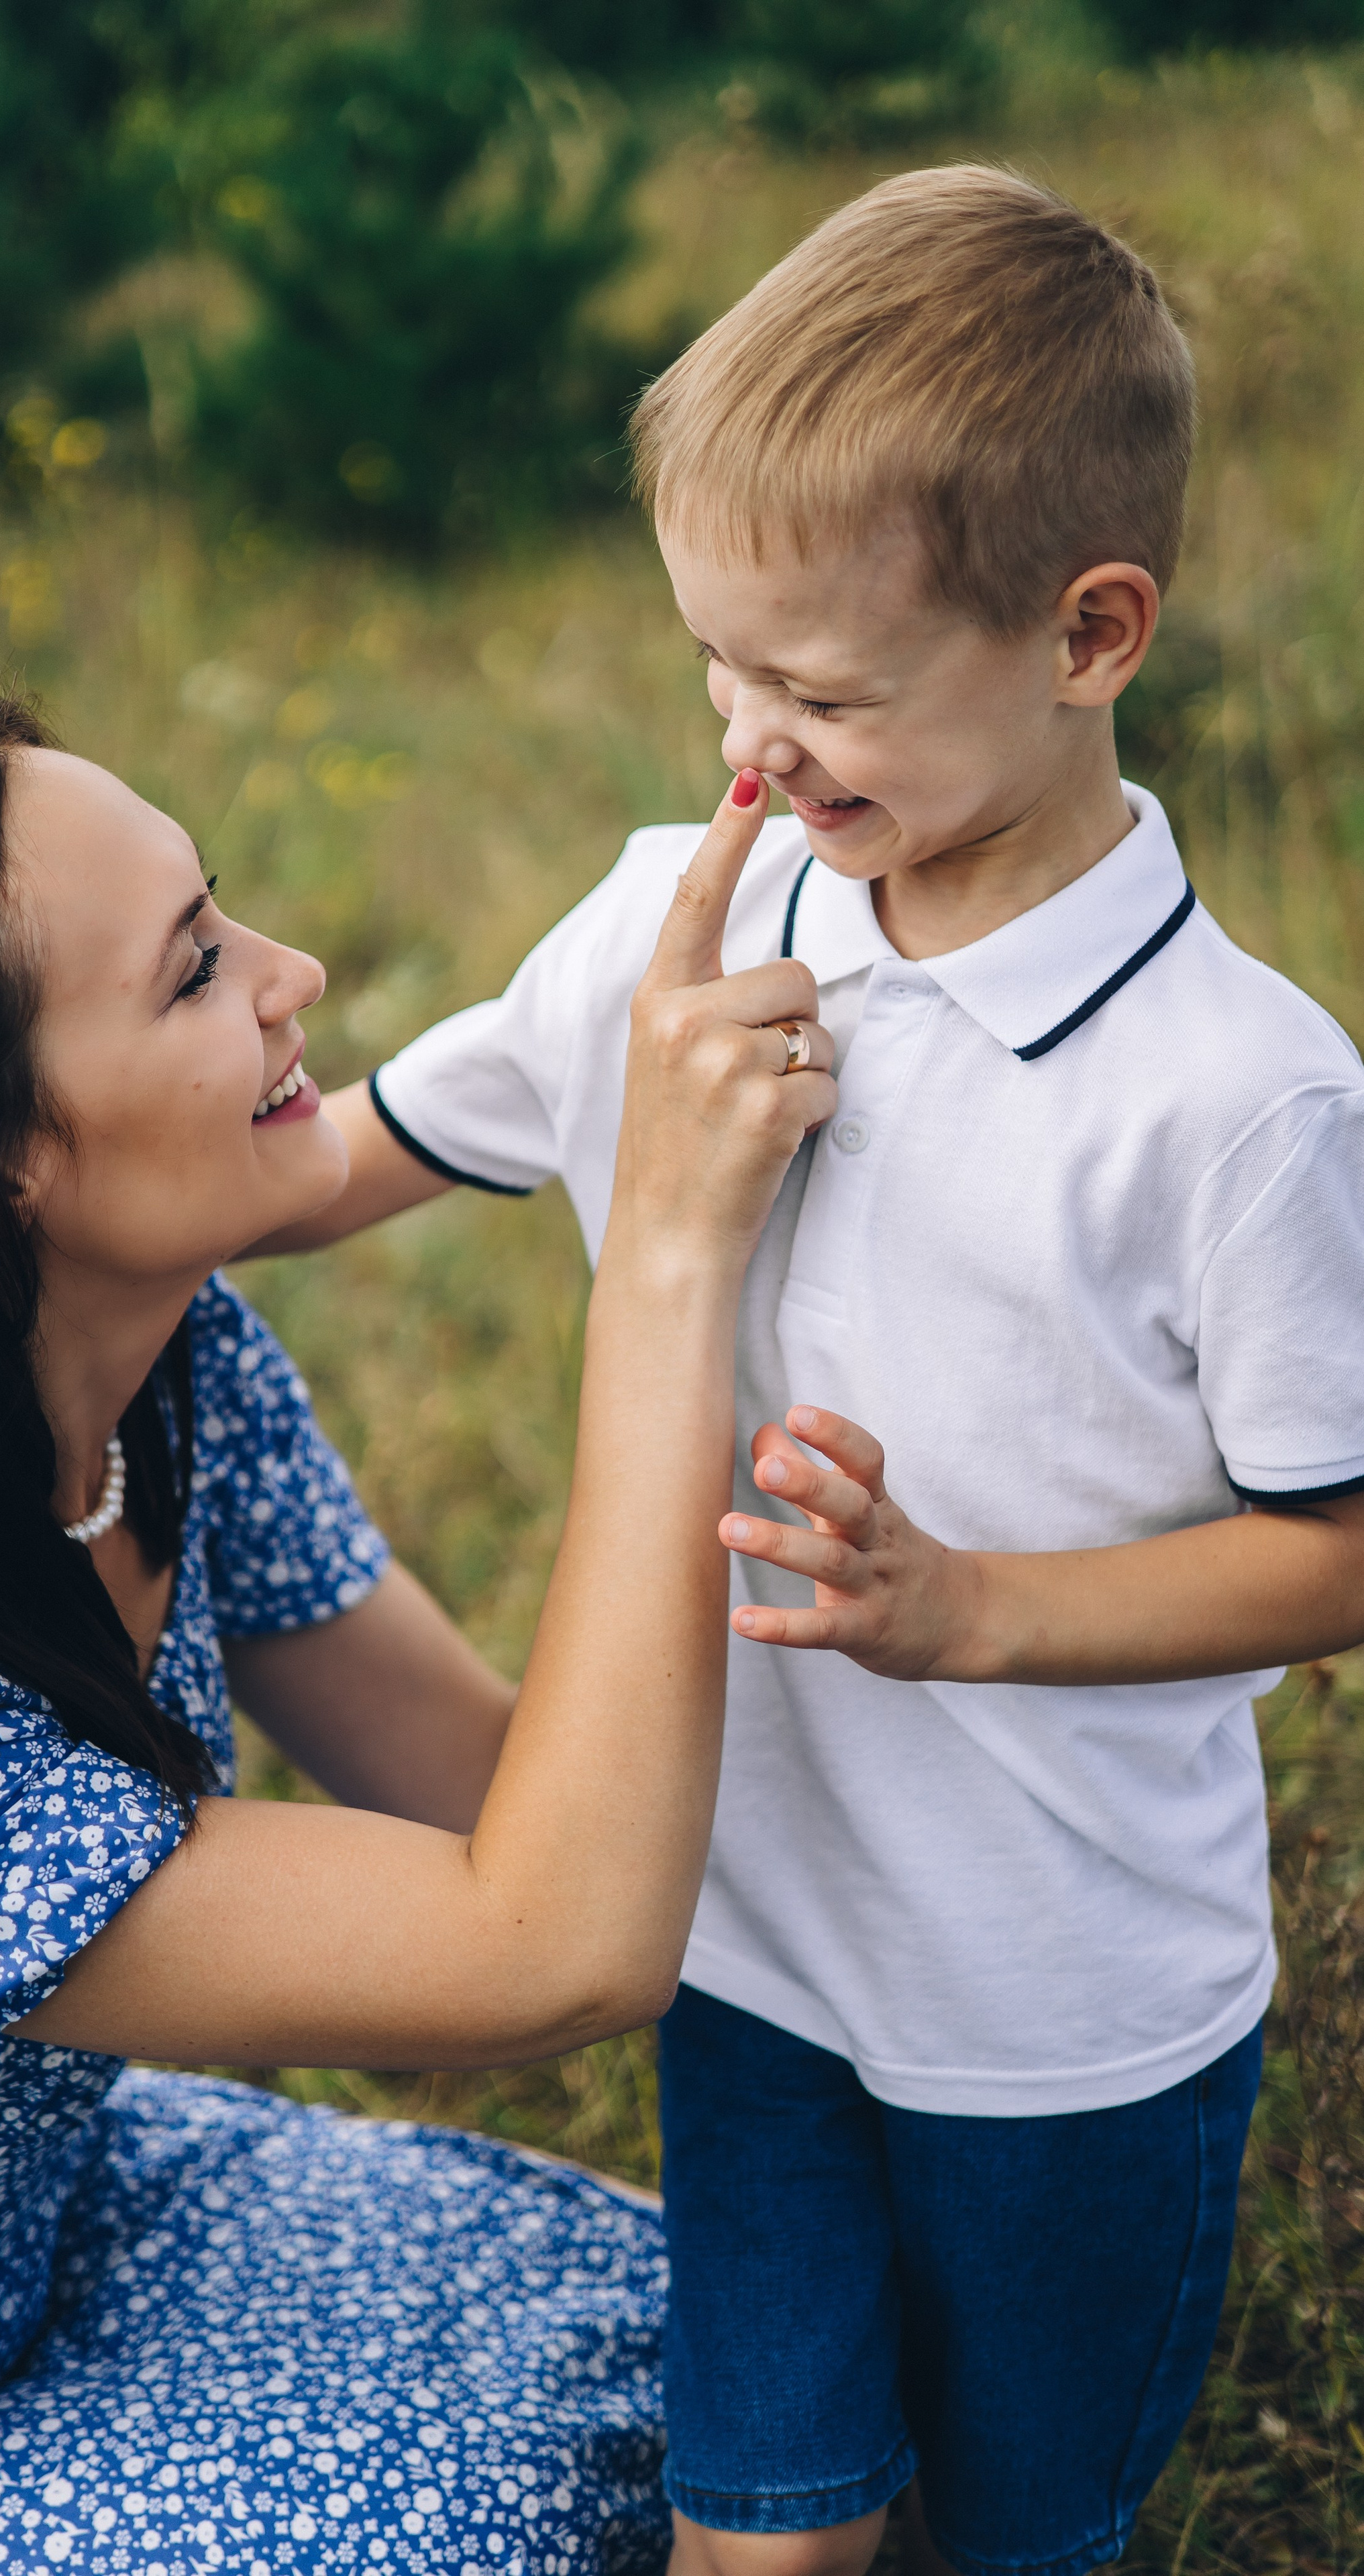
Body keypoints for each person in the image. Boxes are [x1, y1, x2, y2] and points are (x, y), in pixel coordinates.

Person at [260, 168, 1364, 2576]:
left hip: (1069, 2024)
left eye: (833, 694)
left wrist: (973, 1607)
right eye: (717, 677)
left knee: (1005, 2530)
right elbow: (349, 1159)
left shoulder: (1241, 1099)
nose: (757, 750)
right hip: (748, 1956)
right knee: (756, 2521)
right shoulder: (693, 910)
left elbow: (1340, 1548)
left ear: (1094, 633)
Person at [0, 697, 836, 2575]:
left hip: (41, 2231)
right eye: (196, 972)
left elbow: (493, 1789)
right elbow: (554, 1948)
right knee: (492, 2533)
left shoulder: (161, 1368)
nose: (297, 975)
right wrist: (672, 1257)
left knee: (713, 2373)